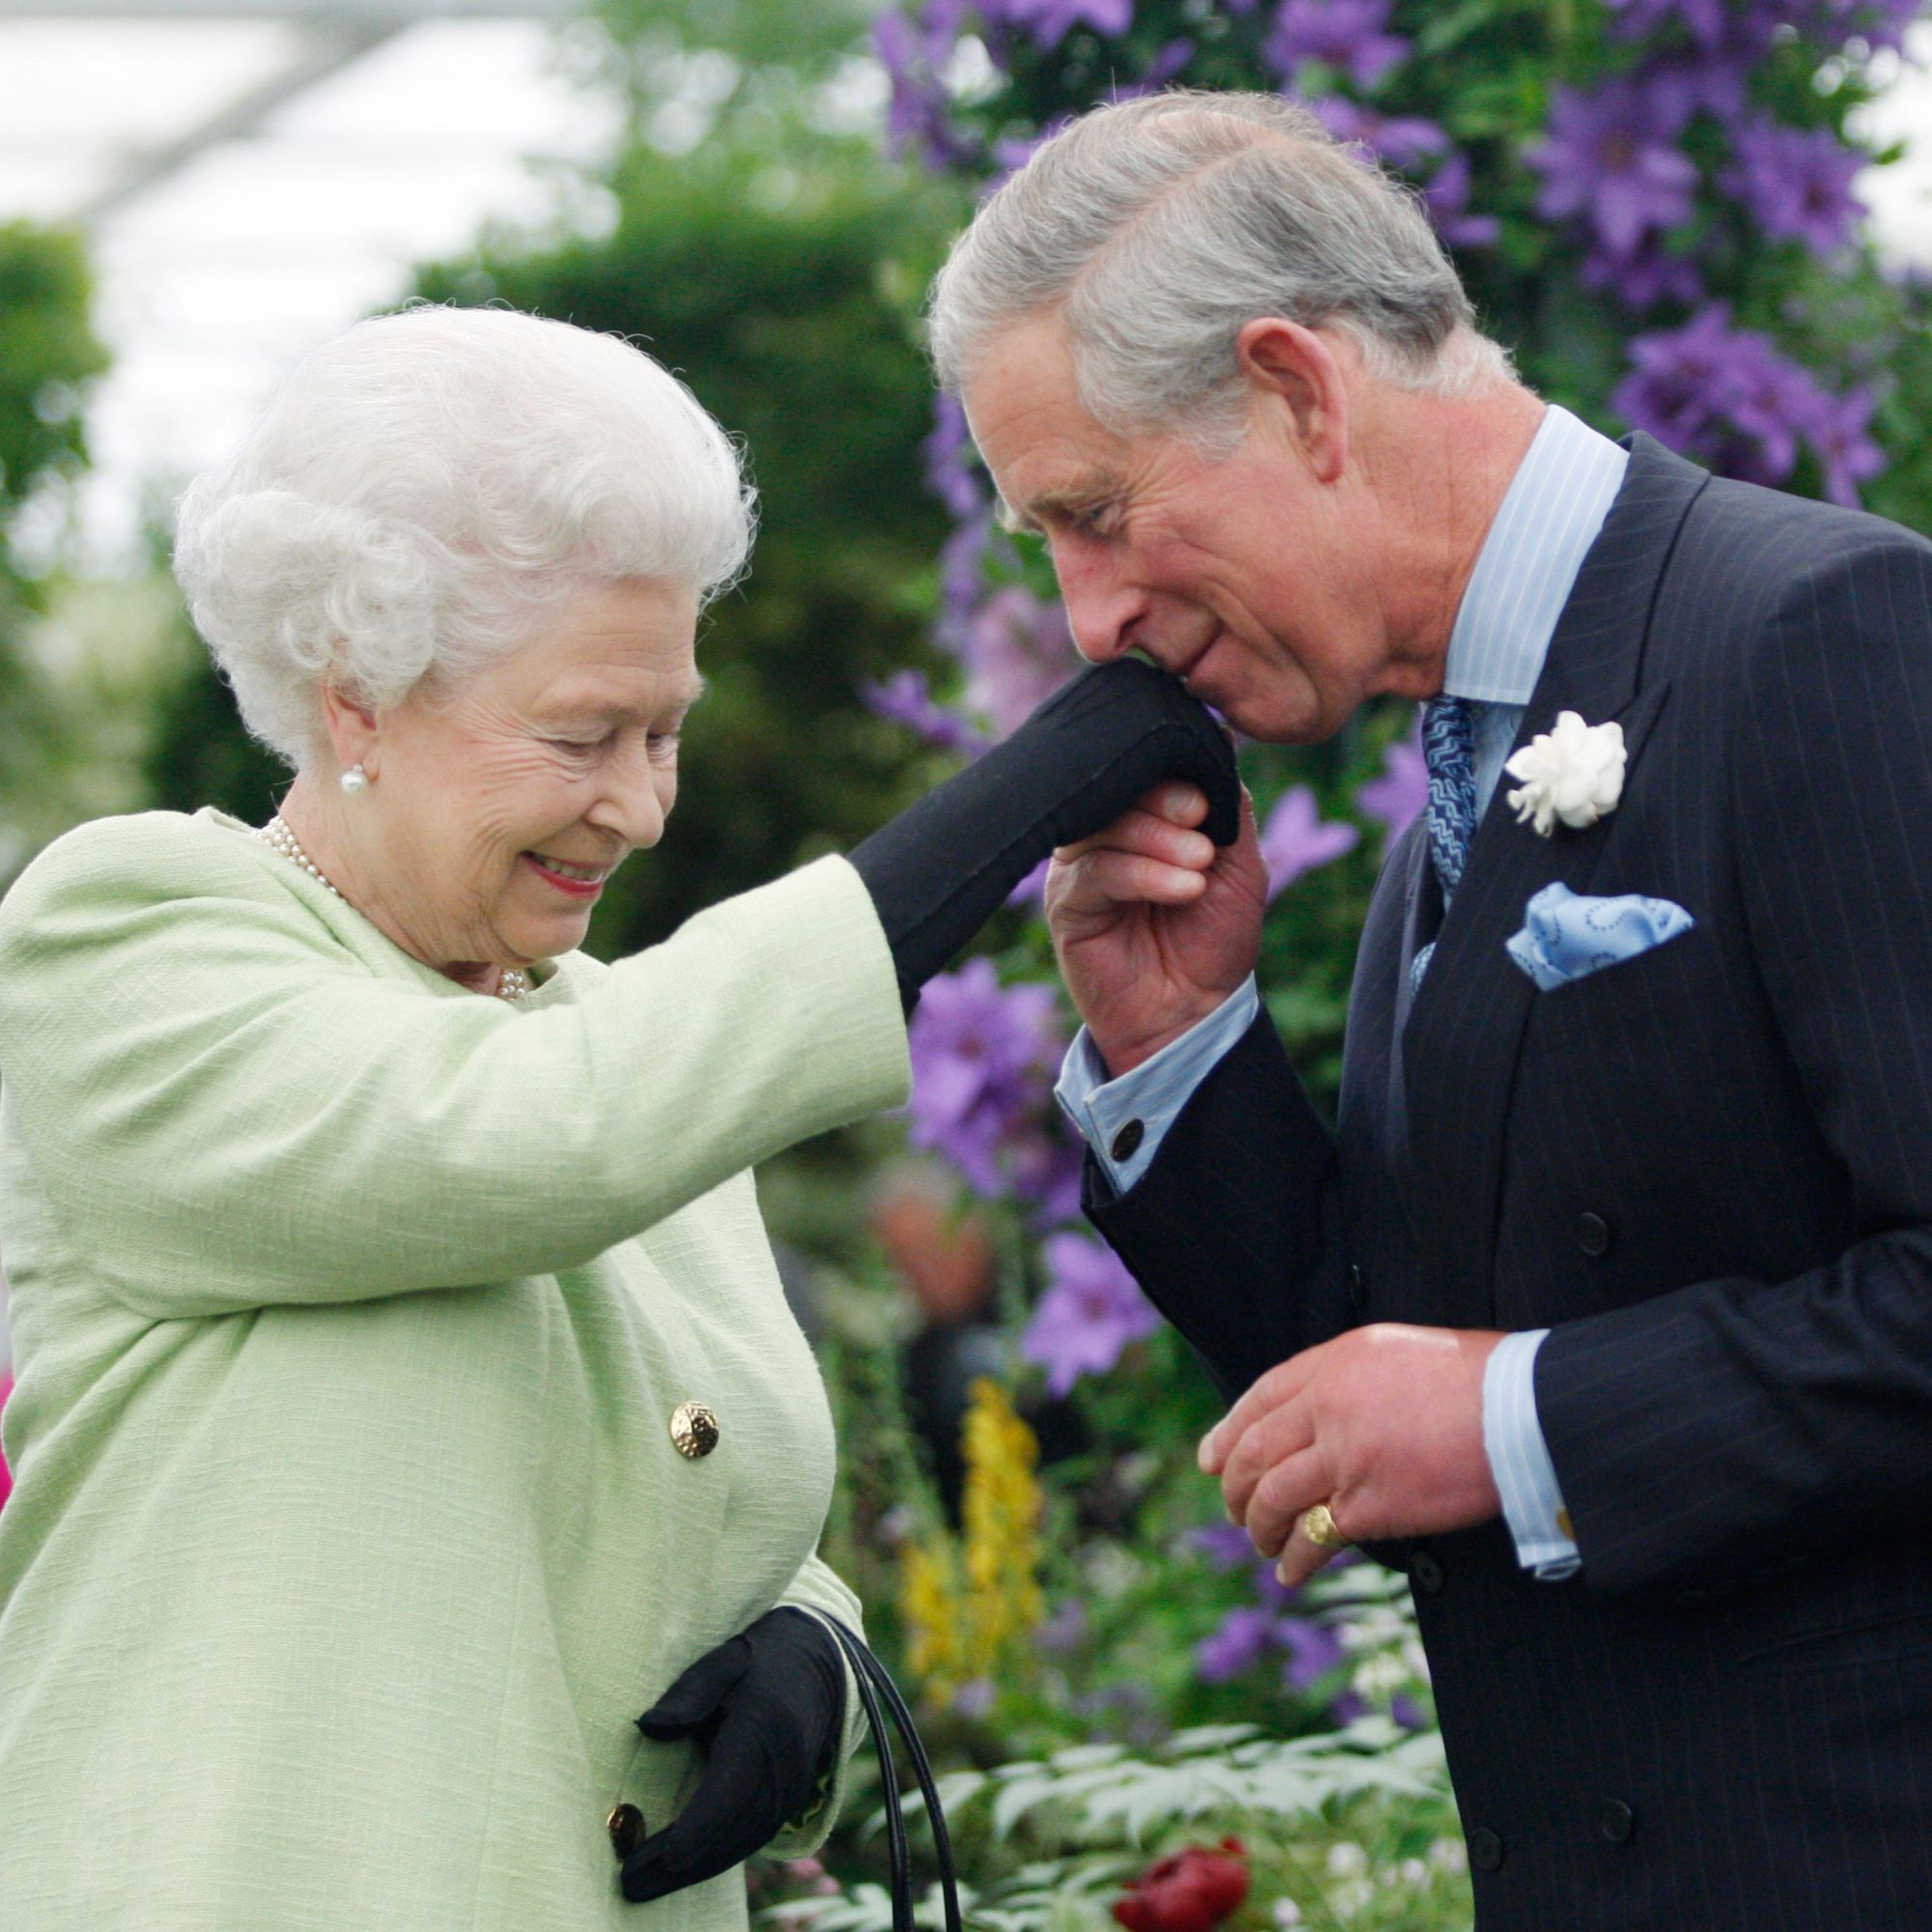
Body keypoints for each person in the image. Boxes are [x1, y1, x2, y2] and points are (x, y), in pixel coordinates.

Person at [0, 304, 1237, 1931]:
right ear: (355, 696)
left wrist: (813, 1656)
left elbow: (671, 1486)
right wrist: (1016, 802)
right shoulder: (131, 936)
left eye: (665, 732)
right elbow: (525, 1142)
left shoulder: (619, 1045)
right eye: (583, 735)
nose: (643, 805)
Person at [930, 88, 1932, 1930]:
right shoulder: (1452, 794)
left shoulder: (1819, 633)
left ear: (1299, 394)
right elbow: (1376, 1411)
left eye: (1095, 514)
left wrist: (1522, 1425)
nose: (1084, 619)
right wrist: (1175, 1046)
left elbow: (1486, 1414)